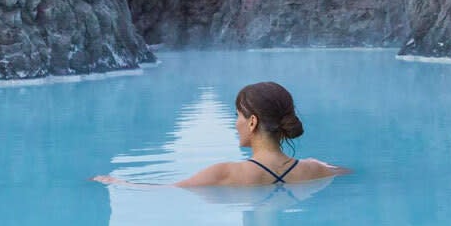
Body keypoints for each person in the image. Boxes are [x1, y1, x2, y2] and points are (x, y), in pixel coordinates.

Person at [92, 81, 349, 188]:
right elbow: (345, 171)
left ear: (252, 122)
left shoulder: (224, 173)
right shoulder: (315, 169)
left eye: (237, 115)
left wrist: (116, 182)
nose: (234, 122)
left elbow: (165, 191)